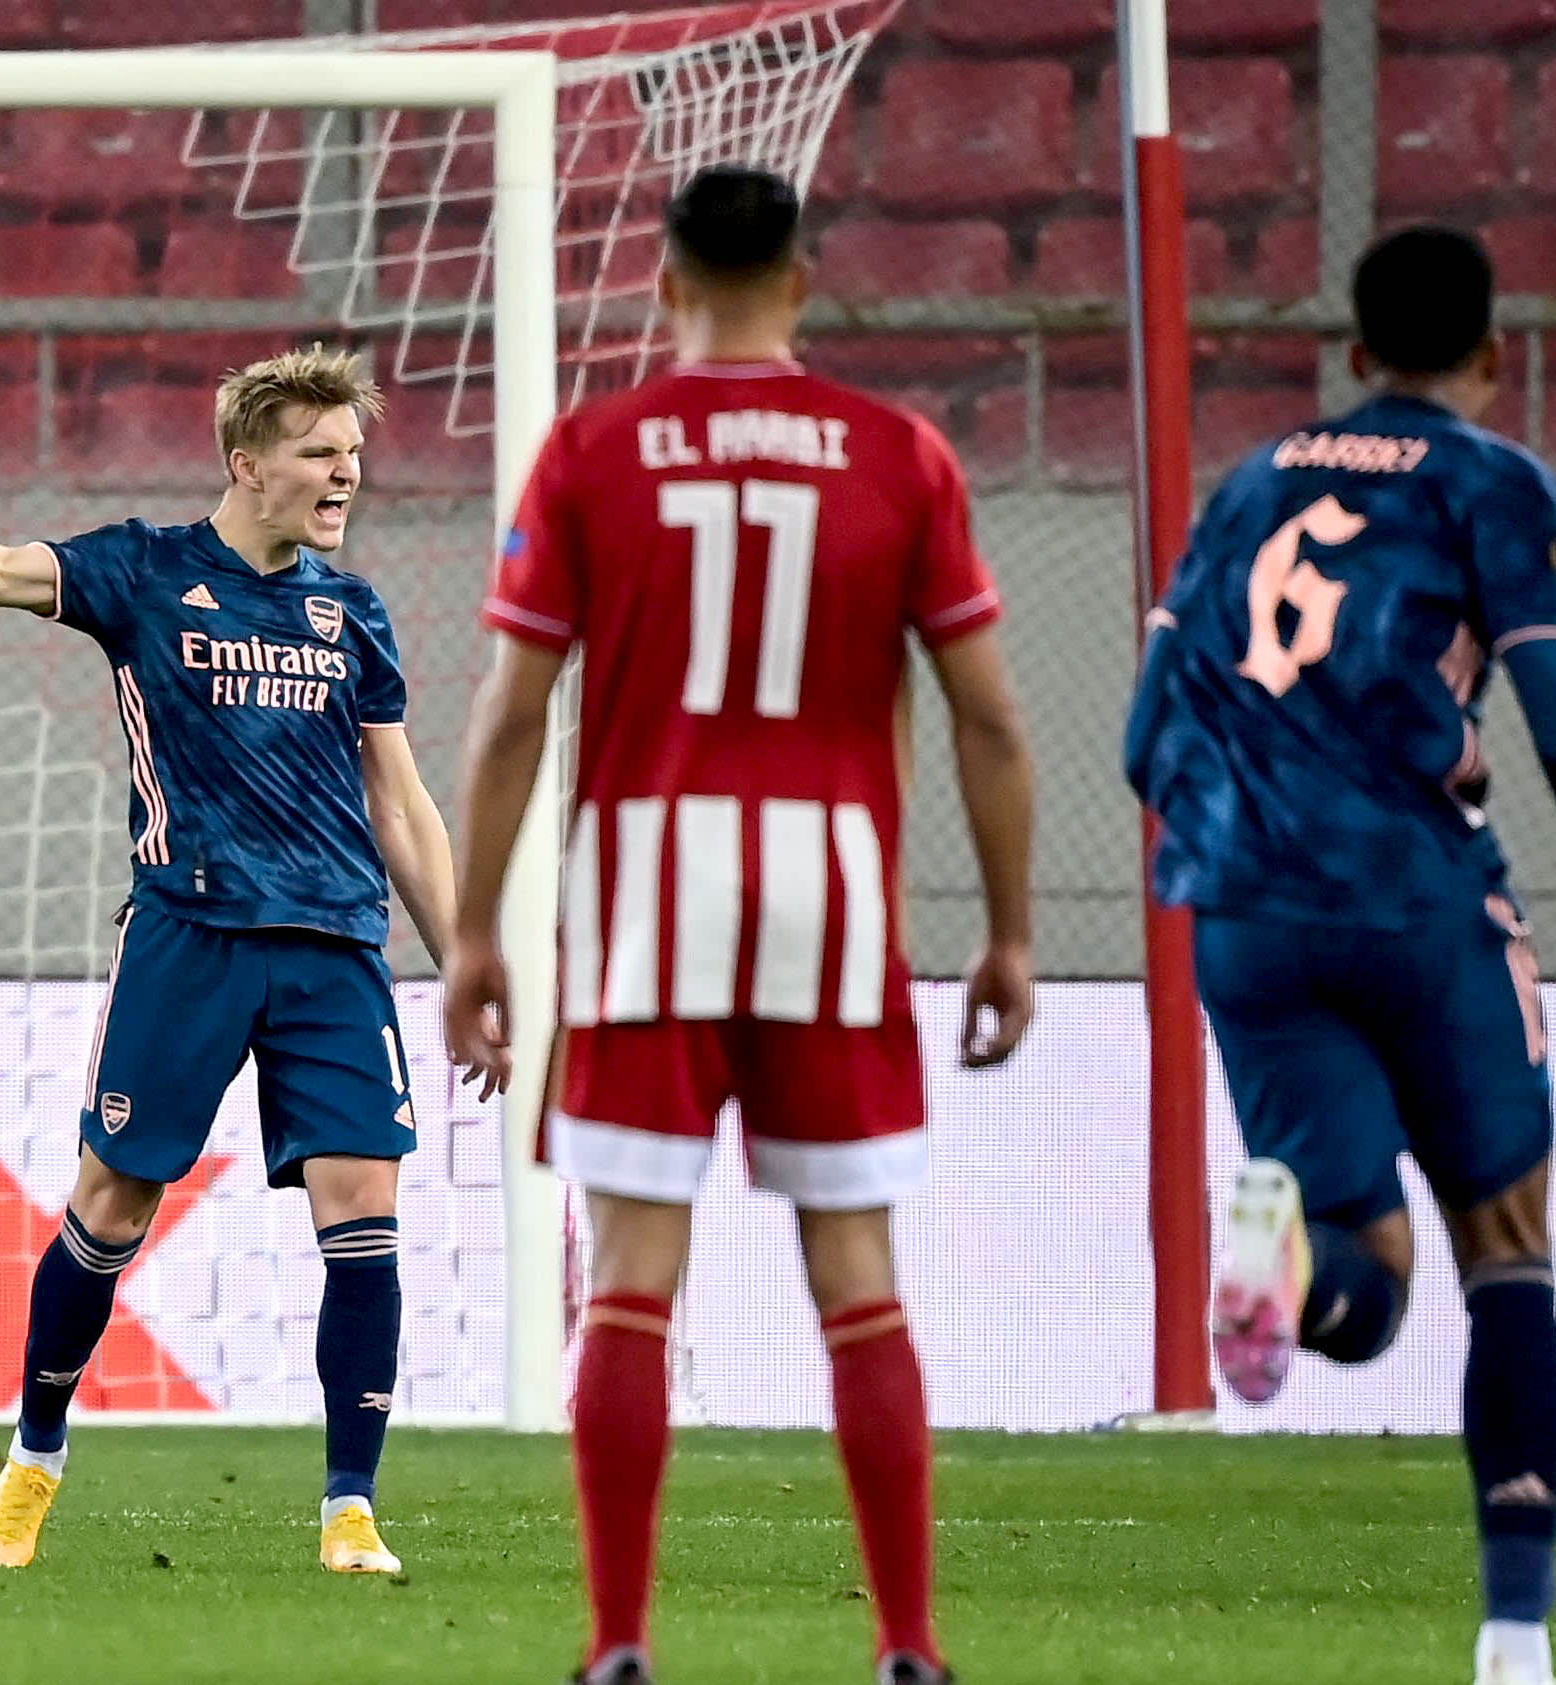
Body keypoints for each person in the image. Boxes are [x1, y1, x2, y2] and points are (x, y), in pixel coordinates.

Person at [443, 164, 1037, 1685]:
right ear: (801, 282)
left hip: (644, 897)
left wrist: (475, 931)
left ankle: (617, 1643)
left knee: (632, 1272)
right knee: (857, 1276)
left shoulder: (592, 452)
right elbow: (986, 718)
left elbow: (510, 716)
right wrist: (1008, 931)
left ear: (661, 284)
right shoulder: (898, 456)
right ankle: (906, 1645)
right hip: (830, 899)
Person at [1123, 222, 1556, 1685]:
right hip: (1416, 901)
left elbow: (1146, 734)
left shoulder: (1249, 483)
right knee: (1504, 1247)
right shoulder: (1492, 484)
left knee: (1368, 1286)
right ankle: (1514, 1639)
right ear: (1491, 353)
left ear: (1352, 351)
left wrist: (1246, 835)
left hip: (1246, 916)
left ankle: (1288, 1269)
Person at [0, 346, 473, 1576]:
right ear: (247, 463)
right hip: (189, 932)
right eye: (320, 452)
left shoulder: (351, 611)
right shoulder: (145, 570)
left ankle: (349, 1510)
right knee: (113, 1203)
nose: (346, 472)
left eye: (353, 452)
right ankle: (33, 1458)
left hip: (334, 943)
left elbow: (400, 802)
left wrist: (466, 963)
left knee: (364, 1206)